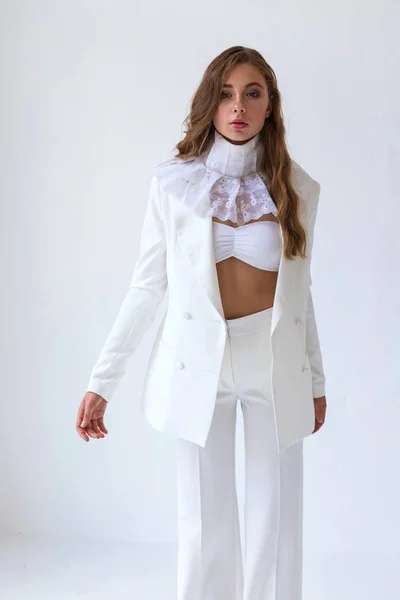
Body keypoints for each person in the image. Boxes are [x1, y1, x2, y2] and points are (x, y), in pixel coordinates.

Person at [76, 45, 327, 600]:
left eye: (252, 93)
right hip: (196, 366)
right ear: (210, 104)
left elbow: (302, 296)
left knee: (276, 519)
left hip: (273, 361)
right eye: (226, 93)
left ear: (270, 107)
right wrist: (102, 381)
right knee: (203, 522)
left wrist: (316, 381)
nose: (238, 106)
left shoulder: (298, 191)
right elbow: (147, 286)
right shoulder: (174, 185)